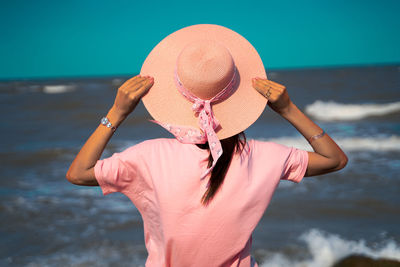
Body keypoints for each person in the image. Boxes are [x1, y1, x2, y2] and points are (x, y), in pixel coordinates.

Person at [66, 24, 348, 267]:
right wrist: (288, 110)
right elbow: (334, 159)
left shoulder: (149, 157)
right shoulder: (262, 157)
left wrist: (117, 113)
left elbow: (78, 173)